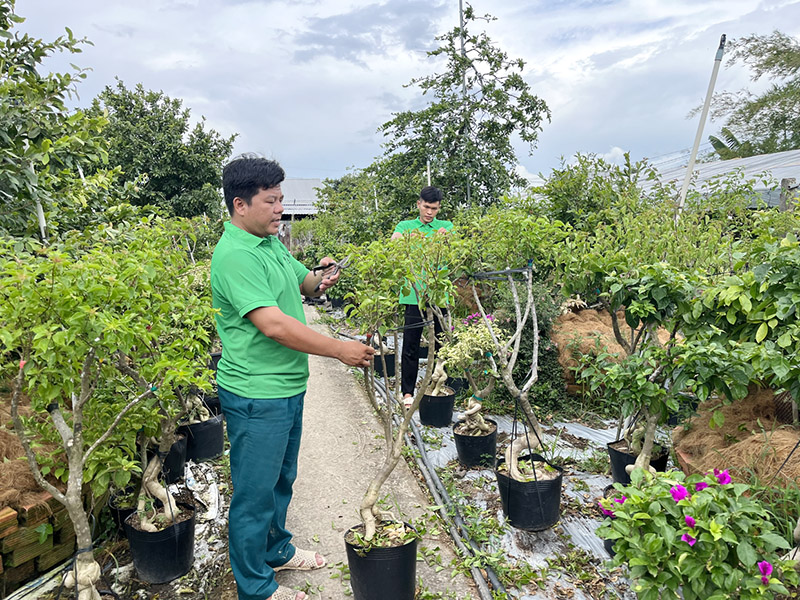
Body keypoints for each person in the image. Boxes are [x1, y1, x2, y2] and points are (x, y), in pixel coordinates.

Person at [210, 154, 375, 600]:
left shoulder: (269, 242)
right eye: (271, 200)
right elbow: (275, 326)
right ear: (240, 204)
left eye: (281, 198)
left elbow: (302, 283)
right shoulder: (234, 256)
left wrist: (320, 280)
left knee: (282, 479)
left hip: (287, 386)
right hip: (256, 393)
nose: (280, 208)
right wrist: (340, 349)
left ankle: (276, 550)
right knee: (253, 494)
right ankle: (257, 587)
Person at [390, 186, 453, 406]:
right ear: (419, 204)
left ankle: (436, 386)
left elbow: (453, 245)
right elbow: (394, 242)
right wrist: (403, 238)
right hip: (412, 296)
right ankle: (407, 393)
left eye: (434, 208)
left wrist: (444, 238)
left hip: (438, 296)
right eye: (426, 207)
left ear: (439, 208)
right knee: (410, 346)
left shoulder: (446, 227)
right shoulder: (405, 226)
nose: (429, 212)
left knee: (442, 343)